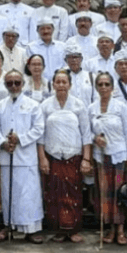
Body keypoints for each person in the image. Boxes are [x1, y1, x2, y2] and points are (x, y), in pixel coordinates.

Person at [39, 69, 92, 243]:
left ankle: (74, 230)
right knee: (54, 194)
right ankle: (59, 230)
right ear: (53, 84)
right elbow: (40, 135)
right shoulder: (45, 105)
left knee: (74, 194)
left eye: (64, 82)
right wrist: (42, 158)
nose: (61, 85)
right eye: (58, 82)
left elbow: (86, 134)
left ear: (70, 85)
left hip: (73, 157)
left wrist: (86, 159)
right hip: (53, 156)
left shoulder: (78, 105)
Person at [0, 70, 45, 243]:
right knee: (9, 195)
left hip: (26, 157)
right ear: (5, 85)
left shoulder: (33, 105)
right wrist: (3, 143)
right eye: (10, 83)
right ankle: (8, 225)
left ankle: (31, 230)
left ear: (23, 84)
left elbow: (39, 128)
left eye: (17, 82)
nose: (14, 86)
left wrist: (20, 139)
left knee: (28, 195)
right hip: (6, 156)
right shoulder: (0, 106)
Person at [89, 72, 127, 245]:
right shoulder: (92, 108)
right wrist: (95, 139)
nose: (103, 88)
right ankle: (109, 228)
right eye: (100, 85)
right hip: (102, 159)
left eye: (106, 84)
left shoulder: (121, 107)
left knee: (119, 193)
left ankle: (121, 229)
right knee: (104, 194)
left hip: (119, 158)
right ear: (96, 87)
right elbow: (88, 132)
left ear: (112, 87)